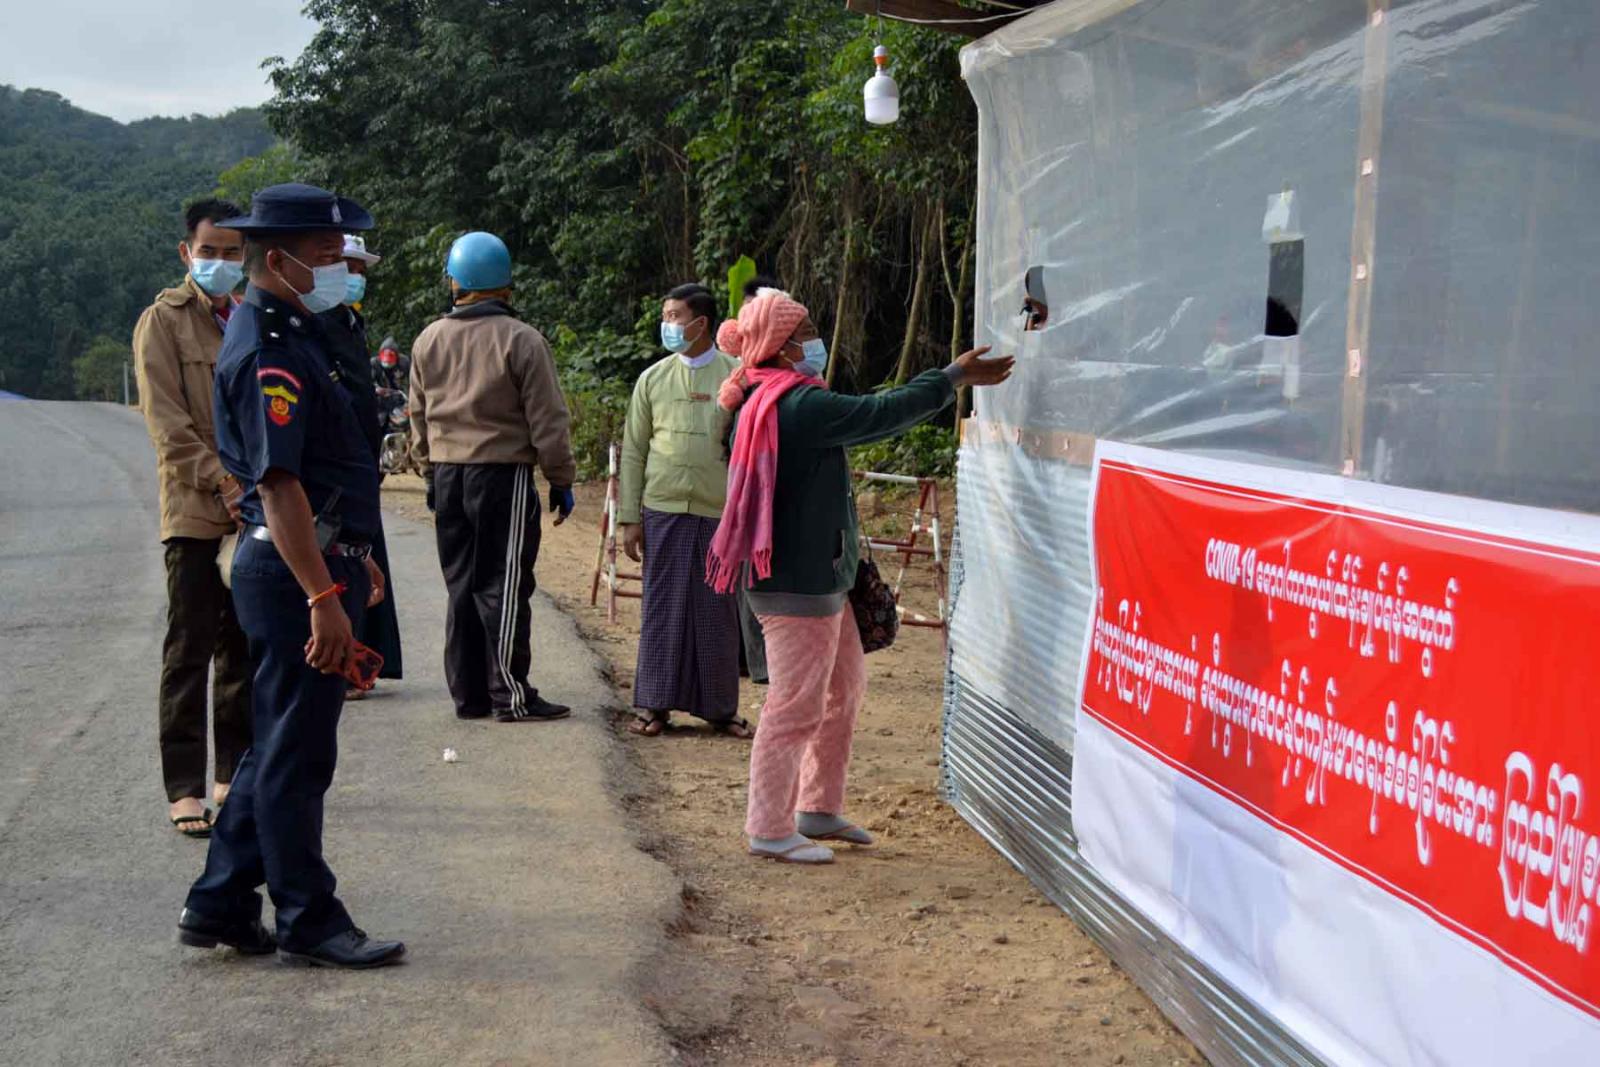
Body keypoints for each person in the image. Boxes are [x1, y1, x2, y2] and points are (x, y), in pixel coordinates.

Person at [177, 182, 405, 969]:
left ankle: (220, 900)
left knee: (278, 741)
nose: (340, 266)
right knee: (299, 755)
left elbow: (326, 470)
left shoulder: (298, 329)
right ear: (278, 261)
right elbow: (279, 486)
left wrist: (354, 555)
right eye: (326, 254)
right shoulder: (268, 350)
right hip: (290, 571)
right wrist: (322, 594)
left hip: (313, 555)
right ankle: (309, 917)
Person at [710, 289, 1013, 865]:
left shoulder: (770, 397)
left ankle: (817, 807)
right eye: (806, 333)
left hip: (821, 576)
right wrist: (952, 376)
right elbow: (881, 413)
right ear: (782, 345)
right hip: (795, 581)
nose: (816, 341)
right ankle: (768, 827)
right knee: (795, 705)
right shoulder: (795, 405)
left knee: (842, 688)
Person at [409, 231, 577, 723]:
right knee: (503, 584)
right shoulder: (522, 340)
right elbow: (548, 419)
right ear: (505, 285)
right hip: (502, 475)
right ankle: (510, 694)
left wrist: (428, 471)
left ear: (455, 282)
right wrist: (560, 478)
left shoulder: (428, 339)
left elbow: (418, 414)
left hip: (447, 475)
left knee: (461, 583)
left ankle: (469, 695)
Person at [132, 197, 253, 838]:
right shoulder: (163, 322)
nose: (220, 262)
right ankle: (184, 789)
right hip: (194, 512)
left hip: (253, 512)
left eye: (232, 252)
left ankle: (233, 775)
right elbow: (168, 427)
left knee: (243, 647)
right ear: (187, 253)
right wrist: (223, 482)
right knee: (189, 648)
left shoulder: (253, 317)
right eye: (209, 251)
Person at [619, 283, 750, 738]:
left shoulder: (737, 376)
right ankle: (653, 706)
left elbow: (751, 449)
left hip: (720, 512)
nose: (667, 325)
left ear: (701, 324)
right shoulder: (652, 379)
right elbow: (634, 450)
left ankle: (720, 709)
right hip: (663, 508)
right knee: (662, 608)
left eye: (674, 316)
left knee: (718, 612)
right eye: (666, 316)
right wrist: (630, 518)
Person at [319, 234, 403, 692]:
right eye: (346, 268)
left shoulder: (351, 322)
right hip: (335, 474)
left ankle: (358, 665)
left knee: (362, 567)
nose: (354, 278)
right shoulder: (315, 323)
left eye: (359, 271)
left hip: (361, 473)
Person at [732, 274, 784, 686]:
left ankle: (770, 666)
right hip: (745, 495)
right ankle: (755, 663)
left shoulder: (796, 384)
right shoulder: (738, 380)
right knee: (747, 580)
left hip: (781, 497)